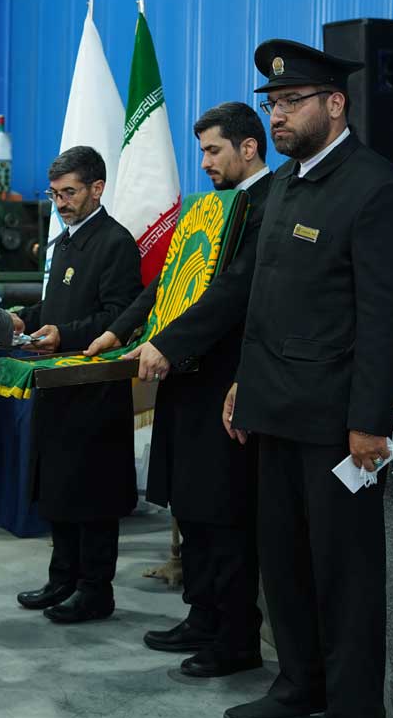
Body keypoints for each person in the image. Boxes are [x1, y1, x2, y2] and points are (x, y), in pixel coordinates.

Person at [220, 39, 393, 718]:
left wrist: (370, 422)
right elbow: (265, 301)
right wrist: (244, 383)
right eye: (272, 103)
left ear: (335, 104)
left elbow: (386, 318)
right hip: (274, 409)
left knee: (344, 571)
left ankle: (356, 713)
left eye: (291, 101)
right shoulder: (284, 185)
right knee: (284, 562)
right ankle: (299, 683)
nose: (277, 115)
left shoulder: (375, 189)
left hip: (335, 423)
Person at [88, 102, 271, 678]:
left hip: (227, 380)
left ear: (248, 147)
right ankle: (202, 614)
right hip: (184, 375)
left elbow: (234, 291)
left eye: (214, 150)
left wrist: (167, 343)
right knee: (191, 506)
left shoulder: (269, 205)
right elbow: (170, 278)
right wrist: (120, 329)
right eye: (202, 151)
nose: (205, 162)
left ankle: (235, 637)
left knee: (224, 513)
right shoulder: (206, 207)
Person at [12, 145, 142, 624]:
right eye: (54, 194)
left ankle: (94, 590)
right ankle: (62, 577)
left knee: (92, 493)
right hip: (59, 383)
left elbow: (118, 316)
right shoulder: (65, 241)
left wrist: (63, 334)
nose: (60, 203)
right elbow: (56, 309)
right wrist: (23, 320)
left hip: (95, 387)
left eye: (68, 193)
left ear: (97, 188)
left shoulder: (115, 242)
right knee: (59, 488)